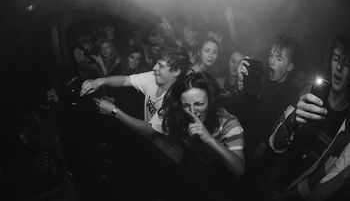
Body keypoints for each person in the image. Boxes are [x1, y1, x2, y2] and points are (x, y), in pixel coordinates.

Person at [266, 35, 350, 201]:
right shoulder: (310, 91)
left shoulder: (347, 126)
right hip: (270, 180)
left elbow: (328, 178)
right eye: (335, 59)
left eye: (347, 63)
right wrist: (293, 120)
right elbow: (275, 144)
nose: (339, 67)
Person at [80, 45, 190, 161]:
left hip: (168, 150)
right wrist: (100, 81)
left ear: (176, 71)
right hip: (150, 141)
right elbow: (125, 80)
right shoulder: (153, 77)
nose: (154, 67)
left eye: (161, 65)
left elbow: (148, 130)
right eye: (157, 63)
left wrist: (113, 110)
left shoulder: (175, 99)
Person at [159, 71, 245, 200]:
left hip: (217, 184)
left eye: (199, 104)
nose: (193, 112)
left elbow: (239, 170)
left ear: (211, 101)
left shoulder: (229, 123)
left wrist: (210, 139)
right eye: (187, 105)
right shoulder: (181, 115)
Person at [235, 33, 303, 164]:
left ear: (290, 66)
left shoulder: (292, 97)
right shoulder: (261, 80)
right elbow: (242, 110)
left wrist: (265, 144)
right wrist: (241, 86)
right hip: (240, 139)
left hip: (260, 155)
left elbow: (282, 129)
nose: (271, 61)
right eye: (271, 55)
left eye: (279, 58)